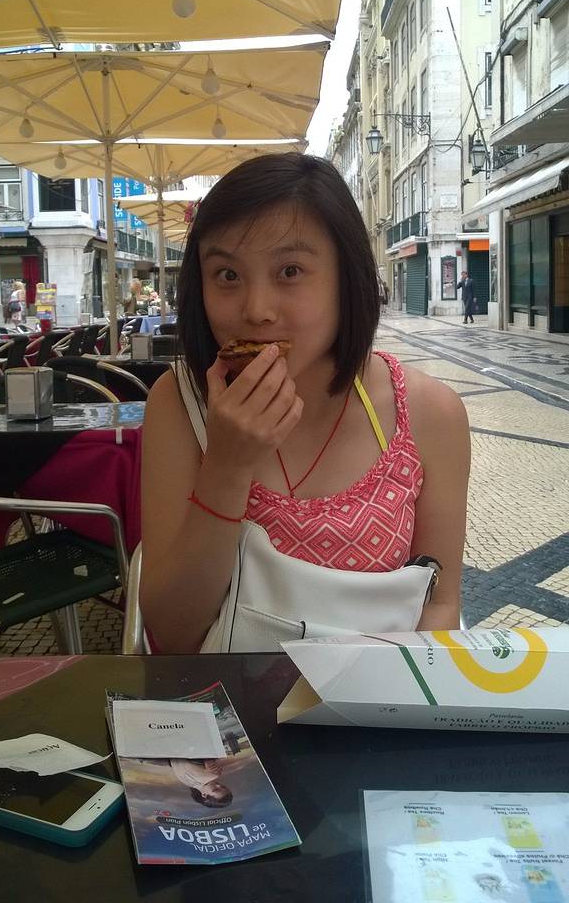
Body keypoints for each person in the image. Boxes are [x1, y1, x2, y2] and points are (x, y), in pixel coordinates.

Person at [142, 153, 470, 653]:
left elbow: (440, 605)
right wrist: (227, 466)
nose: (257, 311)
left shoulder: (431, 414)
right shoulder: (180, 403)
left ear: (346, 277)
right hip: (232, 697)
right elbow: (172, 633)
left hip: (380, 694)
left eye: (290, 270)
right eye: (227, 275)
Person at [145, 759, 233, 808]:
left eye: (216, 789)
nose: (218, 785)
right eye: (223, 786)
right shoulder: (187, 782)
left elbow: (208, 750)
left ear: (204, 795)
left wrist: (210, 760)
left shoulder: (213, 774)